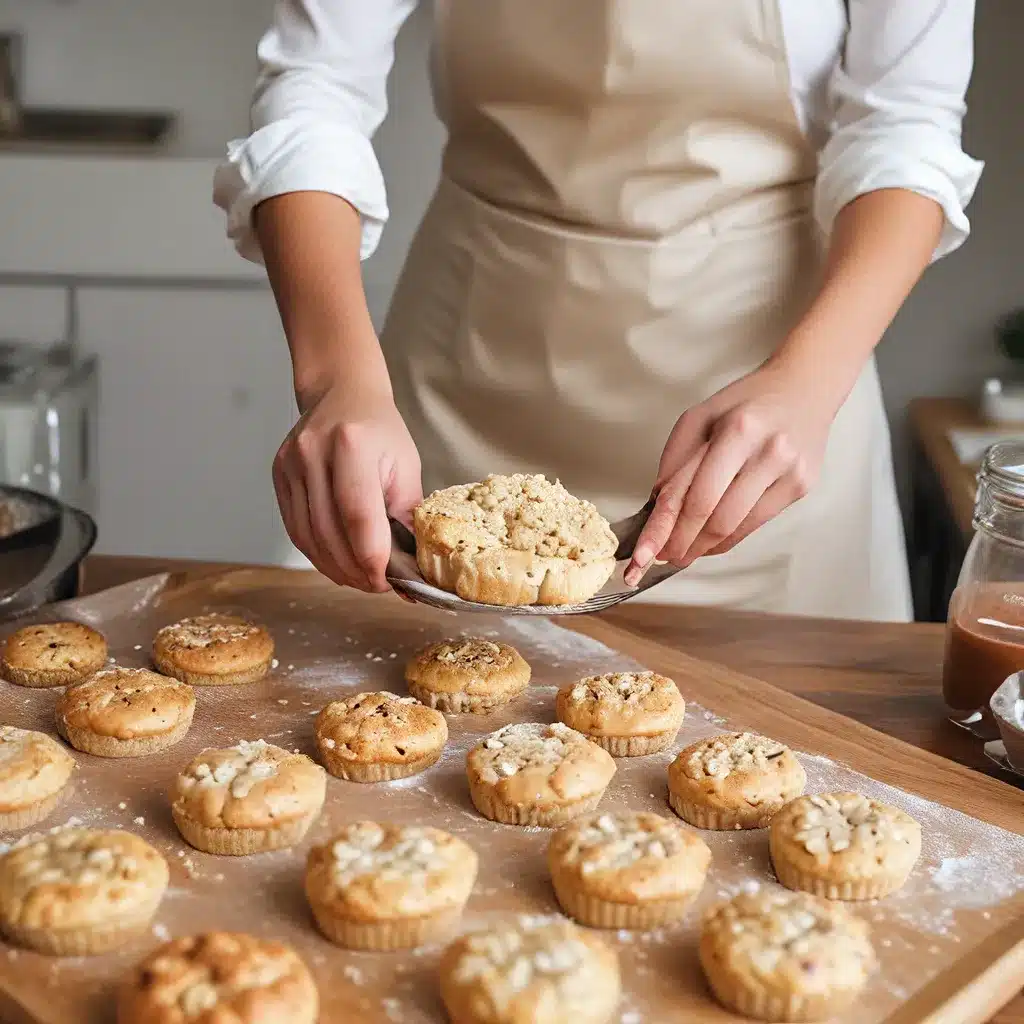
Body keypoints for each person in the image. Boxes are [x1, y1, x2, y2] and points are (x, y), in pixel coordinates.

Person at [214, 0, 981, 621]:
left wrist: (810, 379)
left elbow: (907, 124)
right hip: (465, 370)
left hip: (773, 397)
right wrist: (334, 379)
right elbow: (316, 87)